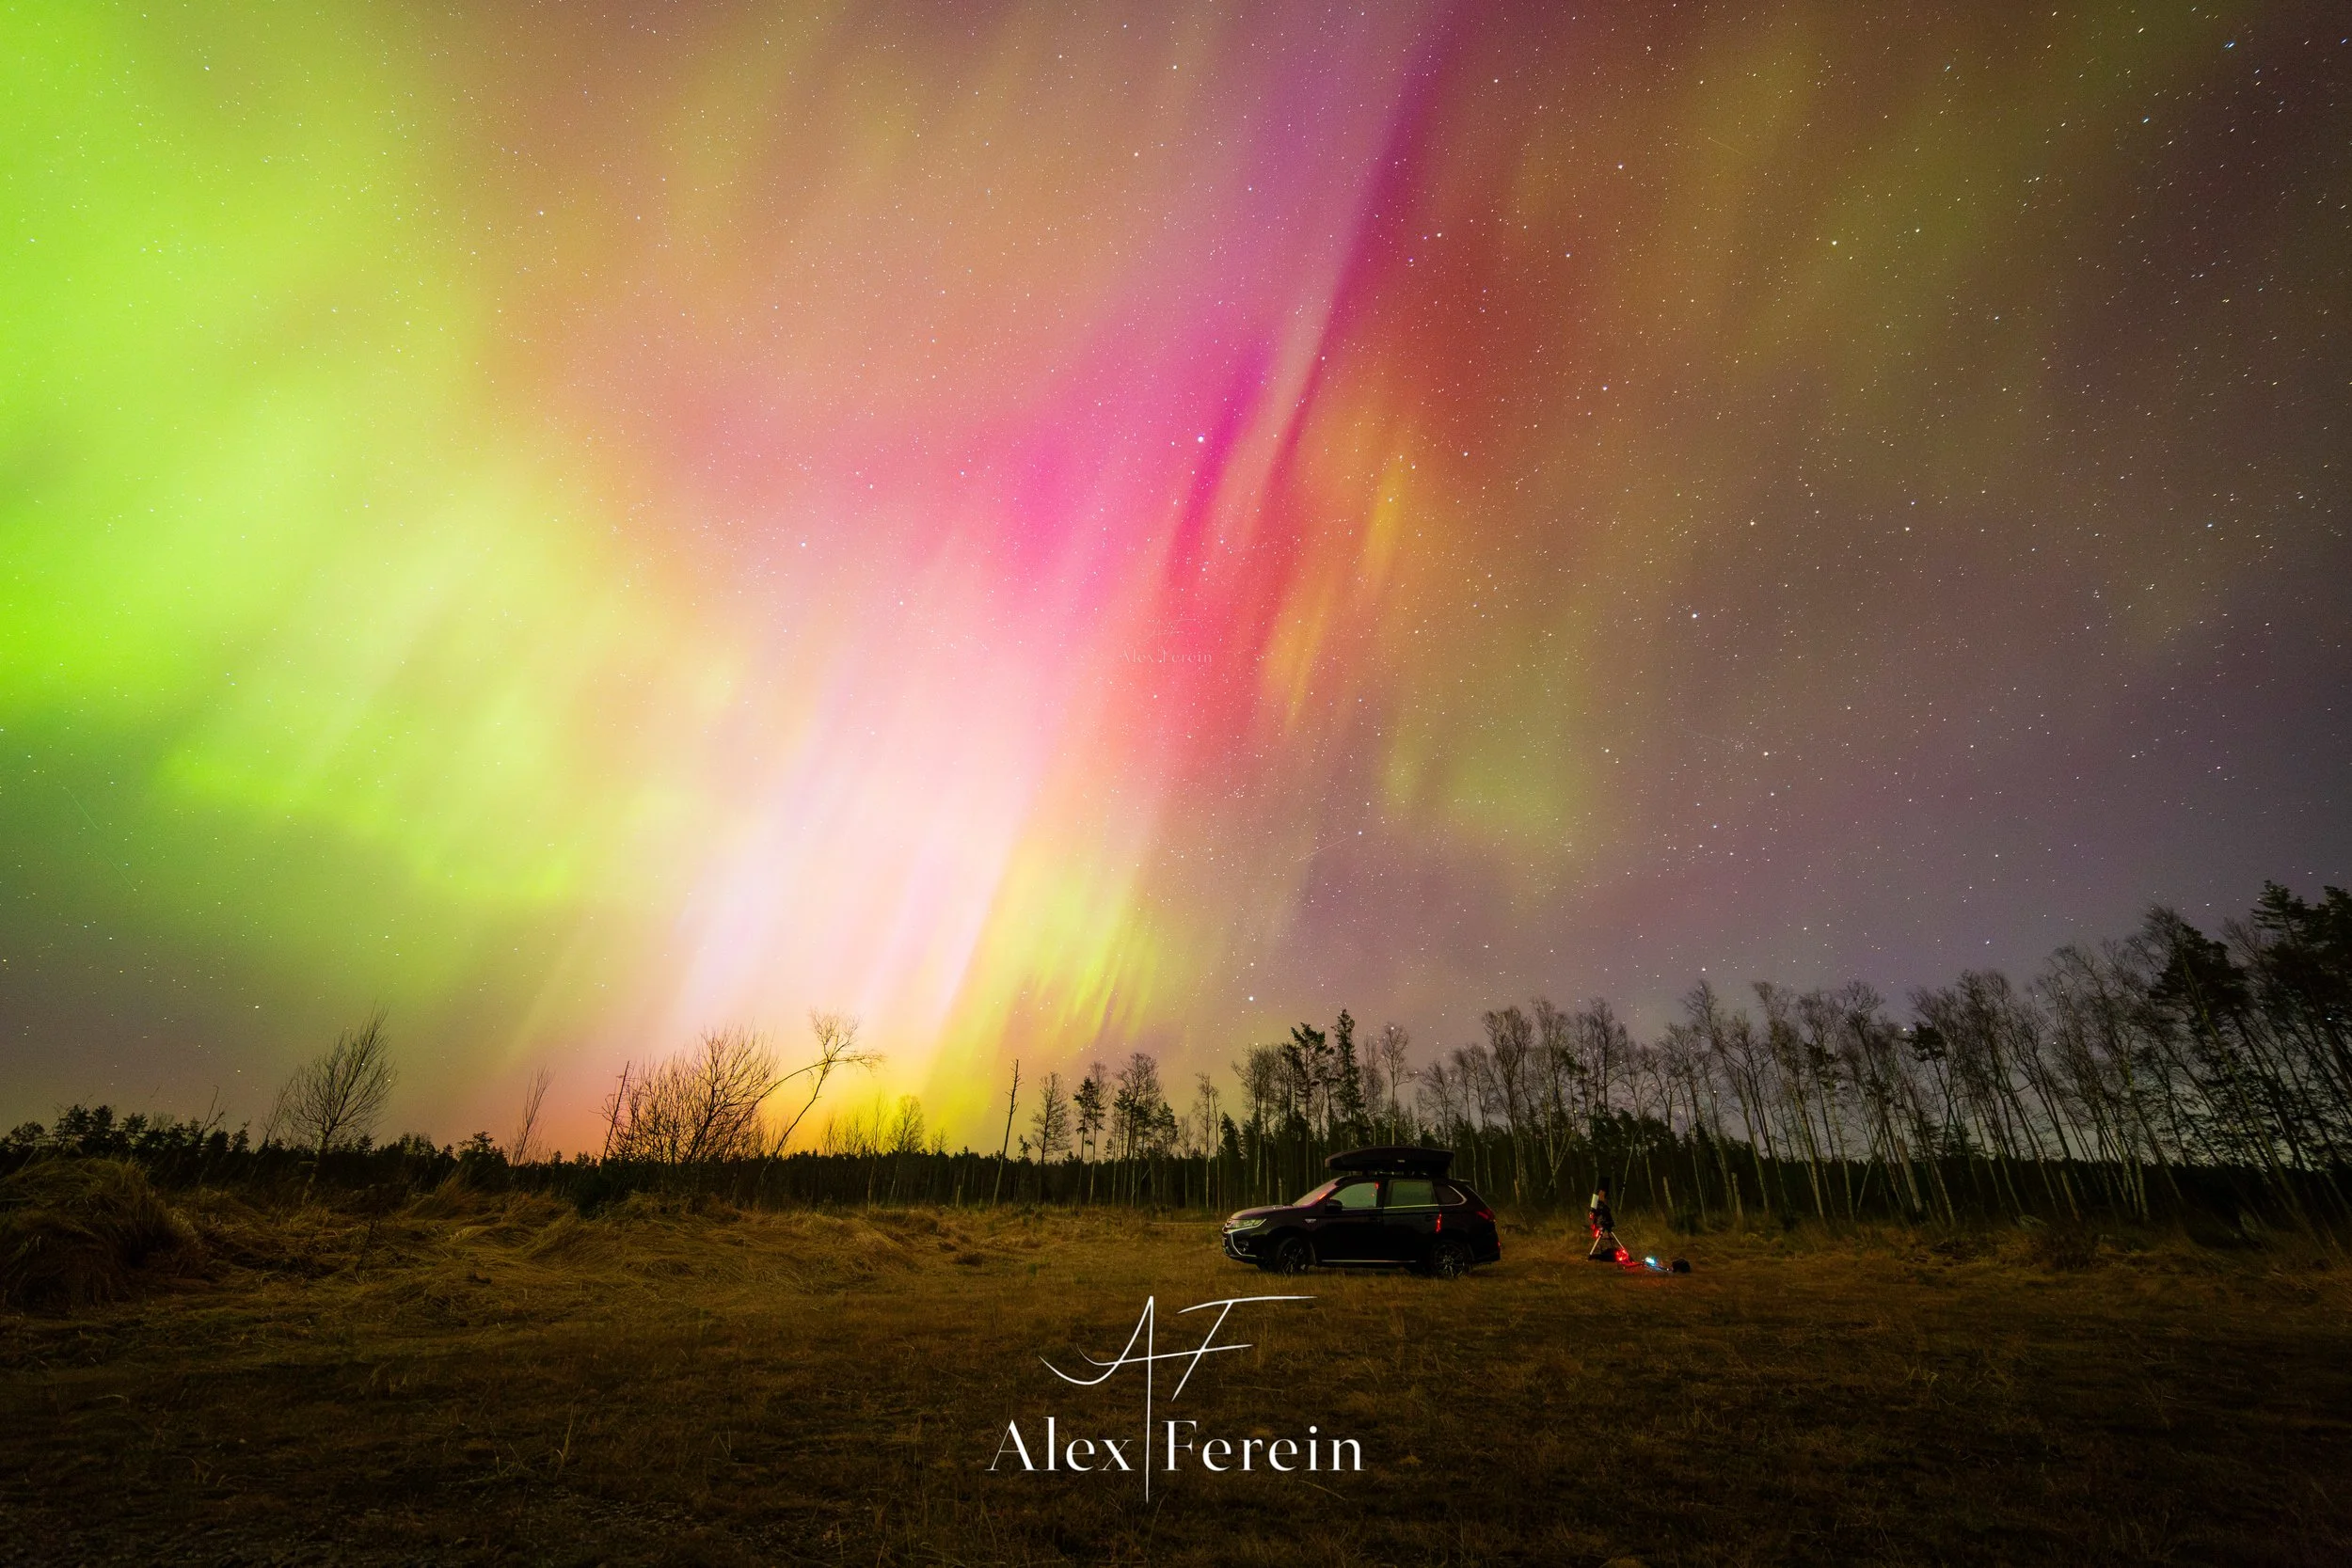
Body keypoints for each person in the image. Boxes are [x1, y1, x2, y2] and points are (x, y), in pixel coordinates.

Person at [1586, 1176, 1622, 1262]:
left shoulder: (1601, 1205)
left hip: (1606, 1219)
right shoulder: (1600, 1205)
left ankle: (1591, 1256)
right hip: (1604, 1218)